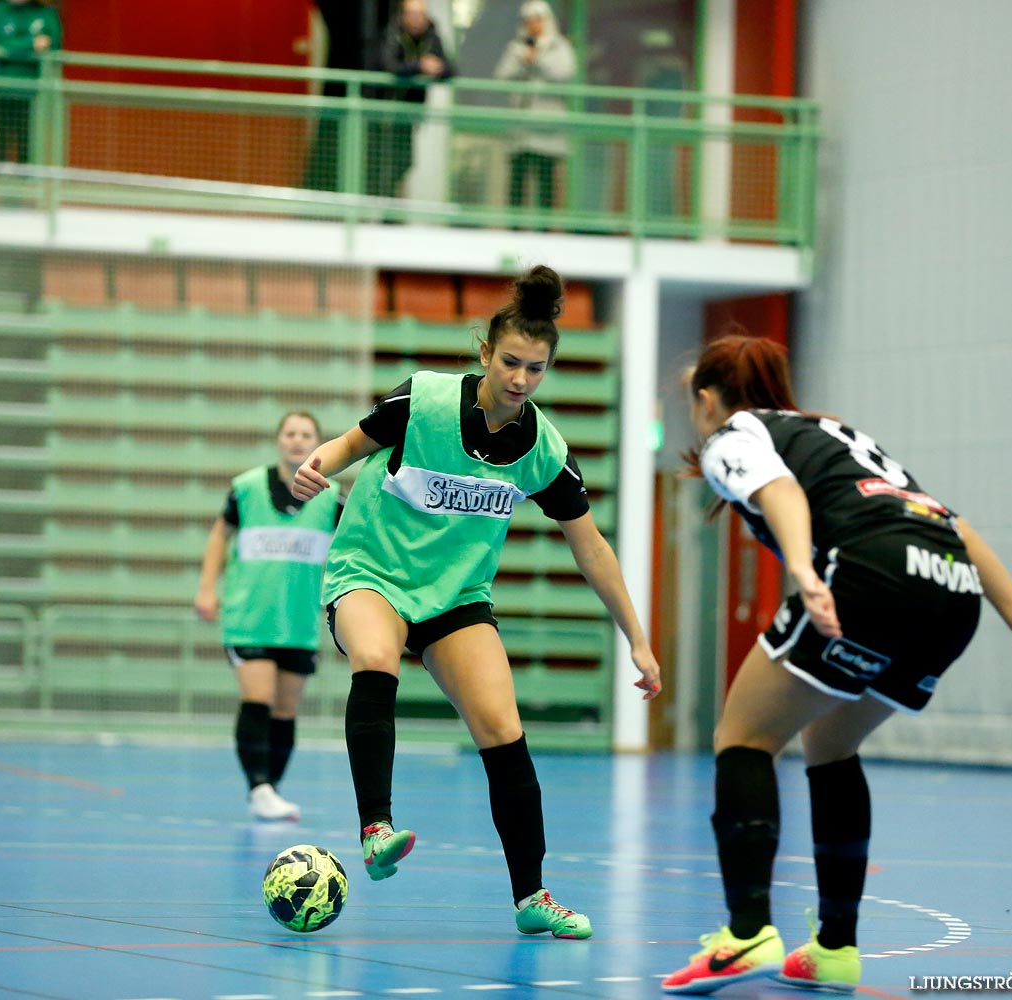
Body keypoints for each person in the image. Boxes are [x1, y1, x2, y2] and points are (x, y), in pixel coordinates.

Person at [661, 335, 1012, 994]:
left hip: (873, 574)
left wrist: (803, 570)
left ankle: (745, 934)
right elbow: (955, 527)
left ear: (708, 399)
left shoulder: (734, 437)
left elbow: (779, 492)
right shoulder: (833, 430)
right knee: (830, 743)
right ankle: (835, 947)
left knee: (743, 737)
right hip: (951, 590)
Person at [291, 265, 662, 940]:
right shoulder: (424, 402)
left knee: (502, 728)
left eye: (537, 368)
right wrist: (318, 466)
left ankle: (532, 896)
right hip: (371, 570)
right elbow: (348, 445)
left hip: (455, 595)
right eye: (511, 362)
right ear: (485, 353)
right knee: (376, 655)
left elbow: (593, 548)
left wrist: (635, 637)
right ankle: (376, 826)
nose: (521, 378)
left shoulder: (542, 449)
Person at [195, 412, 342, 823]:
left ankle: (270, 789)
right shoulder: (245, 489)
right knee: (258, 698)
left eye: (306, 434)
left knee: (286, 709)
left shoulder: (332, 498)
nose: (297, 440)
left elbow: (353, 547)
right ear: (279, 440)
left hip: (297, 622)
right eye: (290, 433)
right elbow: (219, 535)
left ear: (317, 442)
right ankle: (258, 786)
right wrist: (207, 588)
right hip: (249, 616)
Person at [494, 0, 576, 216]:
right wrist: (524, 61)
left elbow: (565, 74)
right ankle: (515, 226)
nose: (533, 24)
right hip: (521, 129)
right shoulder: (516, 48)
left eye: (538, 19)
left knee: (546, 181)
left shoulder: (560, 46)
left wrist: (538, 59)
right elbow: (502, 76)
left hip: (547, 128)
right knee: (517, 180)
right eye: (529, 20)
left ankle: (544, 227)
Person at [367, 0, 453, 200]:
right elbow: (389, 65)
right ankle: (380, 205)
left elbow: (450, 69)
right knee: (381, 160)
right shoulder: (393, 33)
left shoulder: (432, 37)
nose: (416, 19)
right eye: (412, 14)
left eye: (420, 14)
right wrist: (420, 66)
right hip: (386, 110)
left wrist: (436, 68)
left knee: (404, 161)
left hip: (411, 112)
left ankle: (390, 206)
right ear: (403, 16)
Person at [0, 0, 59, 164]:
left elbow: (54, 43)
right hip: (3, 88)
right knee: (2, 137)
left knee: (27, 139)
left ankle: (26, 182)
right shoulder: (0, 9)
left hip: (34, 90)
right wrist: (31, 44)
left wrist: (19, 45)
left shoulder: (46, 13)